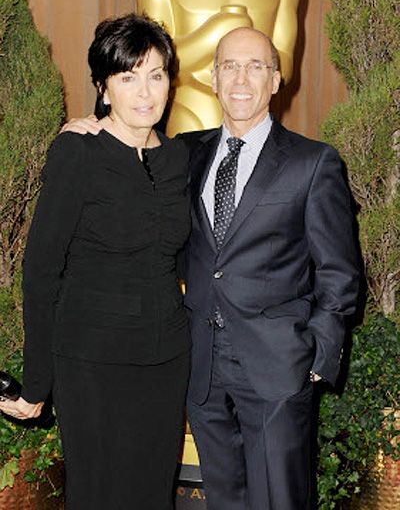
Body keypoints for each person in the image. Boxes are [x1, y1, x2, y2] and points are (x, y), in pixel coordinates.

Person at [59, 26, 359, 510]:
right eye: (230, 66)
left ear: (277, 80)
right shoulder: (183, 153)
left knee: (279, 500)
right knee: (222, 501)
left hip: (278, 369)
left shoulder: (313, 163)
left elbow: (339, 274)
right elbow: (127, 154)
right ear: (212, 79)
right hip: (199, 366)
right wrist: (89, 124)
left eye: (256, 66)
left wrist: (316, 357)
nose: (242, 78)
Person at [0, 13, 191, 510]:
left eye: (156, 75)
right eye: (128, 77)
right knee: (99, 496)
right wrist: (37, 380)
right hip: (91, 360)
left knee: (153, 496)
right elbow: (41, 270)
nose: (144, 92)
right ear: (104, 88)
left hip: (166, 359)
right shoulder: (77, 154)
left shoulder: (178, 159)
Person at [135, 0, 300, 135]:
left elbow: (285, 63)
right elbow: (153, 66)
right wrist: (213, 35)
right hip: (190, 122)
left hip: (257, 131)